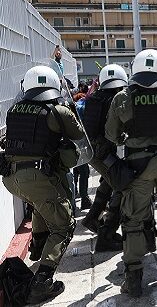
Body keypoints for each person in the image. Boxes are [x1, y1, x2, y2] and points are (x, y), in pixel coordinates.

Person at [105, 49, 157, 296]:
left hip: (137, 166)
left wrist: (126, 137)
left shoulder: (123, 97)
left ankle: (134, 277)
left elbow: (111, 134)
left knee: (133, 220)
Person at [2, 65, 85, 304]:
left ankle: (38, 248)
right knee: (63, 225)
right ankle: (42, 282)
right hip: (38, 178)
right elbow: (78, 134)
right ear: (54, 85)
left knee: (40, 206)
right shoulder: (57, 110)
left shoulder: (14, 109)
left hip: (12, 179)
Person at [81, 64, 129, 253]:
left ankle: (92, 218)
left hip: (94, 151)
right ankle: (106, 236)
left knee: (108, 183)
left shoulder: (94, 98)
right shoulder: (114, 99)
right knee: (120, 185)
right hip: (103, 152)